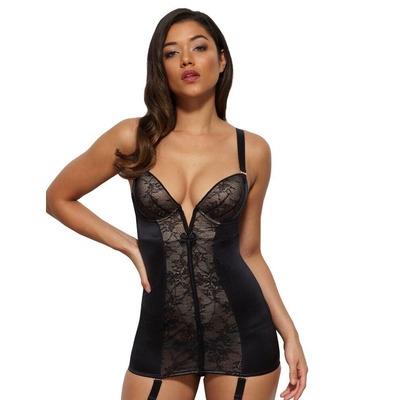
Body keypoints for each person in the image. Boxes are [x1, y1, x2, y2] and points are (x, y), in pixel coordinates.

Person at [46, 8, 308, 400]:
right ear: (161, 67)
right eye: (171, 52)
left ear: (221, 60)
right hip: (161, 333)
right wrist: (130, 245)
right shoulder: (134, 136)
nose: (186, 59)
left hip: (243, 332)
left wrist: (290, 333)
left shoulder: (251, 150)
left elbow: (250, 252)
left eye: (198, 47)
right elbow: (57, 198)